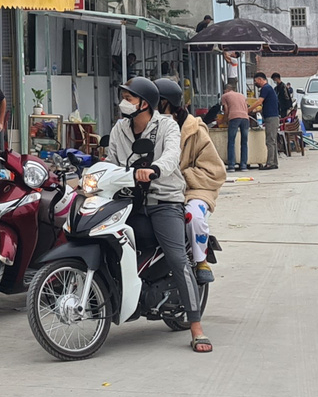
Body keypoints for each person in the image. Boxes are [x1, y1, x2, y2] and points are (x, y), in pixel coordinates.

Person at [108, 77, 208, 353]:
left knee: (177, 257)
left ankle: (196, 326)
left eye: (129, 99)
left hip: (164, 200)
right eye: (124, 98)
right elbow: (112, 161)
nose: (124, 103)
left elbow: (172, 156)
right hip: (131, 200)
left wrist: (154, 169)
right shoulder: (119, 128)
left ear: (145, 103)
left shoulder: (167, 125)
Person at [157, 76, 226, 296]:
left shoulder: (196, 131)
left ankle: (201, 261)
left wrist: (181, 175)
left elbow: (215, 171)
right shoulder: (149, 127)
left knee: (193, 216)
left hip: (193, 190)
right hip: (159, 189)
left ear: (167, 104)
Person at [220, 82, 252, 172]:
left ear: (226, 90)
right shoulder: (241, 95)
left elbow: (226, 110)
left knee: (231, 142)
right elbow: (246, 108)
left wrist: (223, 121)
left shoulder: (225, 96)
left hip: (234, 118)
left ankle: (231, 166)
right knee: (244, 142)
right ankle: (244, 165)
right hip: (245, 118)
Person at [255, 71, 281, 170]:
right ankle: (274, 162)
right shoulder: (269, 88)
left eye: (255, 81)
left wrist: (248, 109)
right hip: (273, 116)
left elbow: (259, 101)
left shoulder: (265, 88)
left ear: (260, 80)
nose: (255, 83)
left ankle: (270, 163)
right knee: (272, 140)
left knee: (270, 141)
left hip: (271, 118)